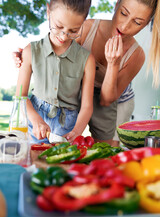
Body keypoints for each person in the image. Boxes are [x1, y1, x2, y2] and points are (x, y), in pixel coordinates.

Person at [14, 0, 160, 146]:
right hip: (78, 90)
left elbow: (106, 100)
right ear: (116, 6)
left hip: (113, 100)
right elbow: (58, 52)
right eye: (123, 13)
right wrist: (28, 56)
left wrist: (113, 64)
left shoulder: (137, 55)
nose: (124, 26)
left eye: (138, 22)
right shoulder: (85, 28)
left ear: (146, 24)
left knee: (105, 148)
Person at [15, 0, 95, 144]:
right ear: (48, 12)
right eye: (59, 26)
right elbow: (20, 96)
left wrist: (76, 131)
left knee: (61, 164)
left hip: (68, 125)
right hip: (34, 119)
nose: (64, 37)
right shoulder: (30, 51)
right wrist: (36, 119)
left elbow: (87, 106)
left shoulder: (87, 59)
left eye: (74, 31)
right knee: (31, 160)